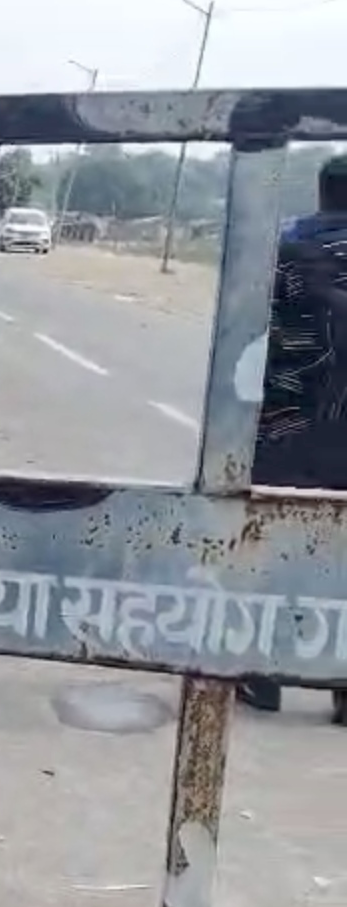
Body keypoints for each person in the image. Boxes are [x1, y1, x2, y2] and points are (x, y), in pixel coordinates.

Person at [238, 155, 347, 723]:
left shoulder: (284, 248)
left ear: (322, 192)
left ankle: (261, 675)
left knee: (272, 543)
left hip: (289, 425)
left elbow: (247, 330)